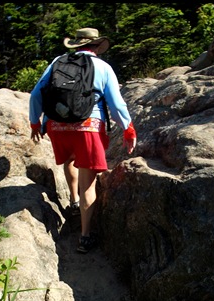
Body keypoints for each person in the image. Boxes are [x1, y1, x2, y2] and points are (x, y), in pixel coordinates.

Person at [29, 27, 137, 253]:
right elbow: (116, 104)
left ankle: (73, 202)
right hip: (87, 127)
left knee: (70, 160)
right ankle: (85, 236)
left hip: (57, 126)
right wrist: (128, 129)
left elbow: (36, 94)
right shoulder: (103, 67)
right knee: (89, 181)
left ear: (77, 45)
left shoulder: (58, 61)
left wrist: (35, 122)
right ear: (96, 46)